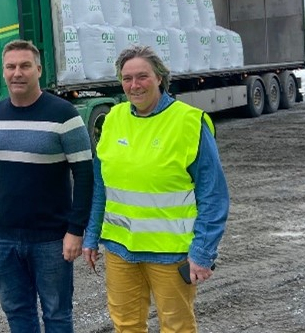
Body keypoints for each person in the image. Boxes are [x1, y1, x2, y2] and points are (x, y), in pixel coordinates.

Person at [82, 45, 230, 333]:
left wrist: (202, 253)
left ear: (160, 77)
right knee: (125, 325)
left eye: (142, 76)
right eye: (127, 78)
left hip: (171, 254)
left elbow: (214, 196)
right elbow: (102, 186)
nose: (134, 85)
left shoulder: (189, 122)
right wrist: (91, 235)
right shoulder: (113, 119)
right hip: (120, 250)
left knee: (176, 327)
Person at [0, 39, 94, 333]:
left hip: (51, 238)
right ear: (3, 72)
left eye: (25, 66)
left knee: (57, 314)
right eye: (10, 67)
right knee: (17, 312)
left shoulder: (64, 115)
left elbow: (85, 176)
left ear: (39, 69)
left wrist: (76, 229)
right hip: (5, 238)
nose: (17, 73)